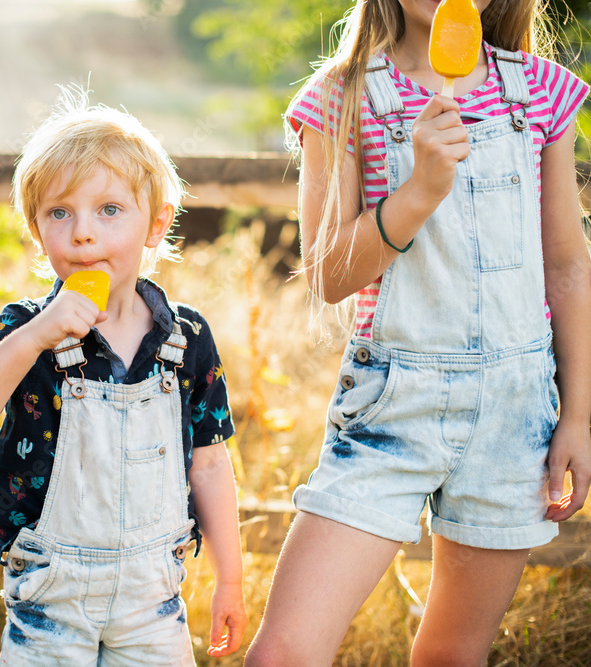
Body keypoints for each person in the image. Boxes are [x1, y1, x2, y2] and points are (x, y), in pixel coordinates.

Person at [244, 0, 591, 664]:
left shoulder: (540, 92)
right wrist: (419, 191)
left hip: (515, 413)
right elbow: (327, 274)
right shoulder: (342, 98)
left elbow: (568, 265)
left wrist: (576, 416)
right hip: (392, 407)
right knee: (283, 651)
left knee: (453, 655)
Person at [0, 89, 246, 665]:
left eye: (109, 210)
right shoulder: (23, 327)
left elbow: (209, 463)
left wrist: (230, 577)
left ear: (156, 226)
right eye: (60, 213)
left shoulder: (186, 339)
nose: (83, 233)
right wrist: (35, 337)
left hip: (152, 604)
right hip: (50, 601)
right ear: (37, 231)